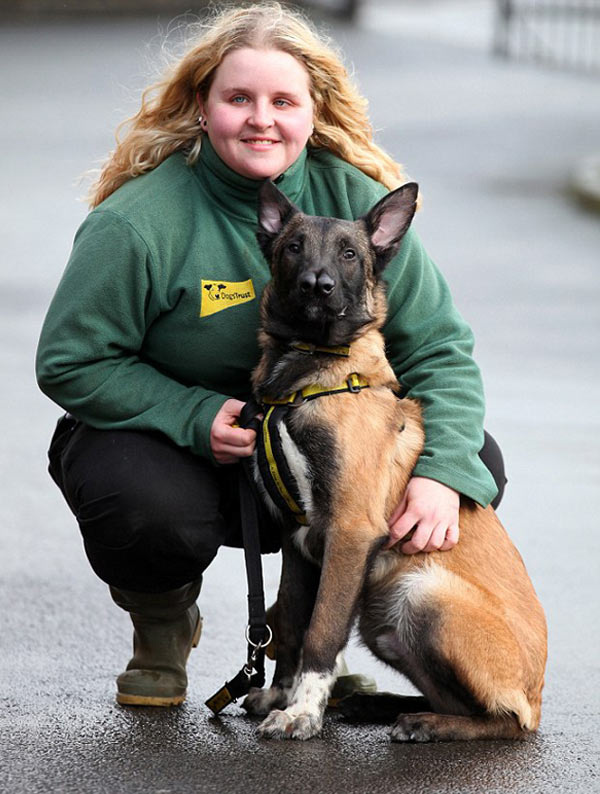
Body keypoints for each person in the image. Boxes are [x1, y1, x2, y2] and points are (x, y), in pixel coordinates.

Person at [36, 2, 506, 708]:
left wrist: (442, 473)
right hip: (184, 449)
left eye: (283, 100)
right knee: (139, 503)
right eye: (238, 98)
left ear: (313, 112)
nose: (262, 118)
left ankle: (315, 651)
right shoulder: (138, 223)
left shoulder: (353, 200)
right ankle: (164, 622)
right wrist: (190, 412)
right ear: (202, 107)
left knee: (475, 465)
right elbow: (70, 360)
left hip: (310, 443)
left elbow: (440, 347)